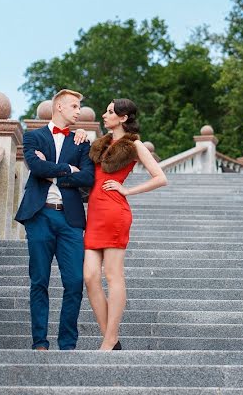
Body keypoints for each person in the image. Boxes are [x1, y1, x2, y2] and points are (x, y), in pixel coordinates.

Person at [84, 98, 167, 350]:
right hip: (95, 214)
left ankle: (109, 340)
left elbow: (160, 178)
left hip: (115, 212)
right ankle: (112, 338)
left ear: (122, 118)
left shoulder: (134, 144)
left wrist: (127, 190)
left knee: (113, 275)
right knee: (89, 276)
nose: (104, 114)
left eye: (110, 112)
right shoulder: (101, 143)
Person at [15, 89, 95, 351]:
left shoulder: (81, 142)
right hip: (40, 215)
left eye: (79, 107)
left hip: (70, 220)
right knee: (39, 280)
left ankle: (67, 343)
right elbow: (35, 167)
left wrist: (52, 171)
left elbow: (87, 177)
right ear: (58, 107)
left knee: (74, 282)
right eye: (73, 106)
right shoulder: (33, 137)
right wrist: (66, 170)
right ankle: (40, 342)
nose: (78, 111)